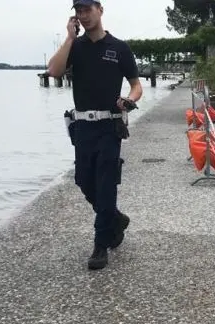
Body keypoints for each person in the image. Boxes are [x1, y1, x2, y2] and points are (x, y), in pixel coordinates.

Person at [47, 0, 143, 270]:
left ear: (100, 10)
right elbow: (54, 71)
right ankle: (115, 218)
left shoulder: (119, 48)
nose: (83, 15)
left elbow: (136, 85)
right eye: (78, 11)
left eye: (88, 9)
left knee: (106, 183)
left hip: (110, 126)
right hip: (83, 127)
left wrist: (129, 100)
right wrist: (69, 37)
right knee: (83, 180)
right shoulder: (75, 48)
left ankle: (101, 244)